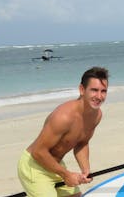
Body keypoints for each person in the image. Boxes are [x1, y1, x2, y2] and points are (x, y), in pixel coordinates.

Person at [17, 67, 109, 197]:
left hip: (55, 165)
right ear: (82, 90)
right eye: (94, 90)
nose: (99, 96)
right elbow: (38, 151)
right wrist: (66, 174)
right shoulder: (63, 117)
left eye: (103, 91)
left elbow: (82, 143)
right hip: (34, 166)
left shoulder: (96, 115)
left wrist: (85, 170)